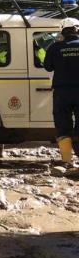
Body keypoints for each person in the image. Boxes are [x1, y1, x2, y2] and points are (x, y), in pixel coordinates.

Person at [43, 18, 79, 166]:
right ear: (77, 30)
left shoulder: (54, 47)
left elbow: (48, 67)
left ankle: (67, 161)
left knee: (63, 125)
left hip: (62, 93)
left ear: (63, 31)